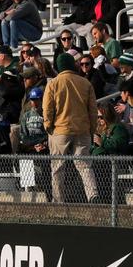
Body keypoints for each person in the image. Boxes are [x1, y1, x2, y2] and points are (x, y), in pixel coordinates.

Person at [42, 53, 100, 203]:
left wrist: (48, 126)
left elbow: (47, 109)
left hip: (60, 130)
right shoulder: (85, 83)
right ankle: (92, 194)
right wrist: (92, 129)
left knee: (58, 168)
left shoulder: (53, 83)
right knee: (85, 165)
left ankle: (58, 200)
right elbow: (93, 110)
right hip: (82, 129)